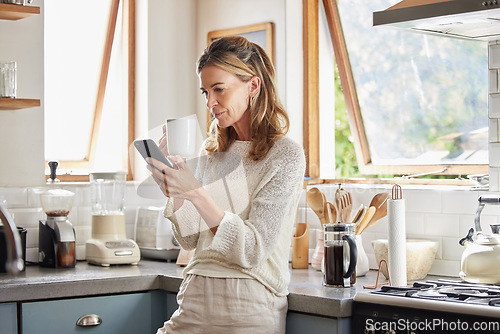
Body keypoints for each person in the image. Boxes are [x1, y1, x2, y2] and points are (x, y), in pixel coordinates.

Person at [147, 36, 305, 334]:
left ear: (253, 86)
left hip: (248, 304)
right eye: (206, 91)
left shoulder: (285, 156)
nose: (210, 102)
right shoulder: (213, 151)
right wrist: (176, 191)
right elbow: (190, 241)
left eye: (219, 89)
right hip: (194, 297)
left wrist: (195, 191)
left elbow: (251, 249)